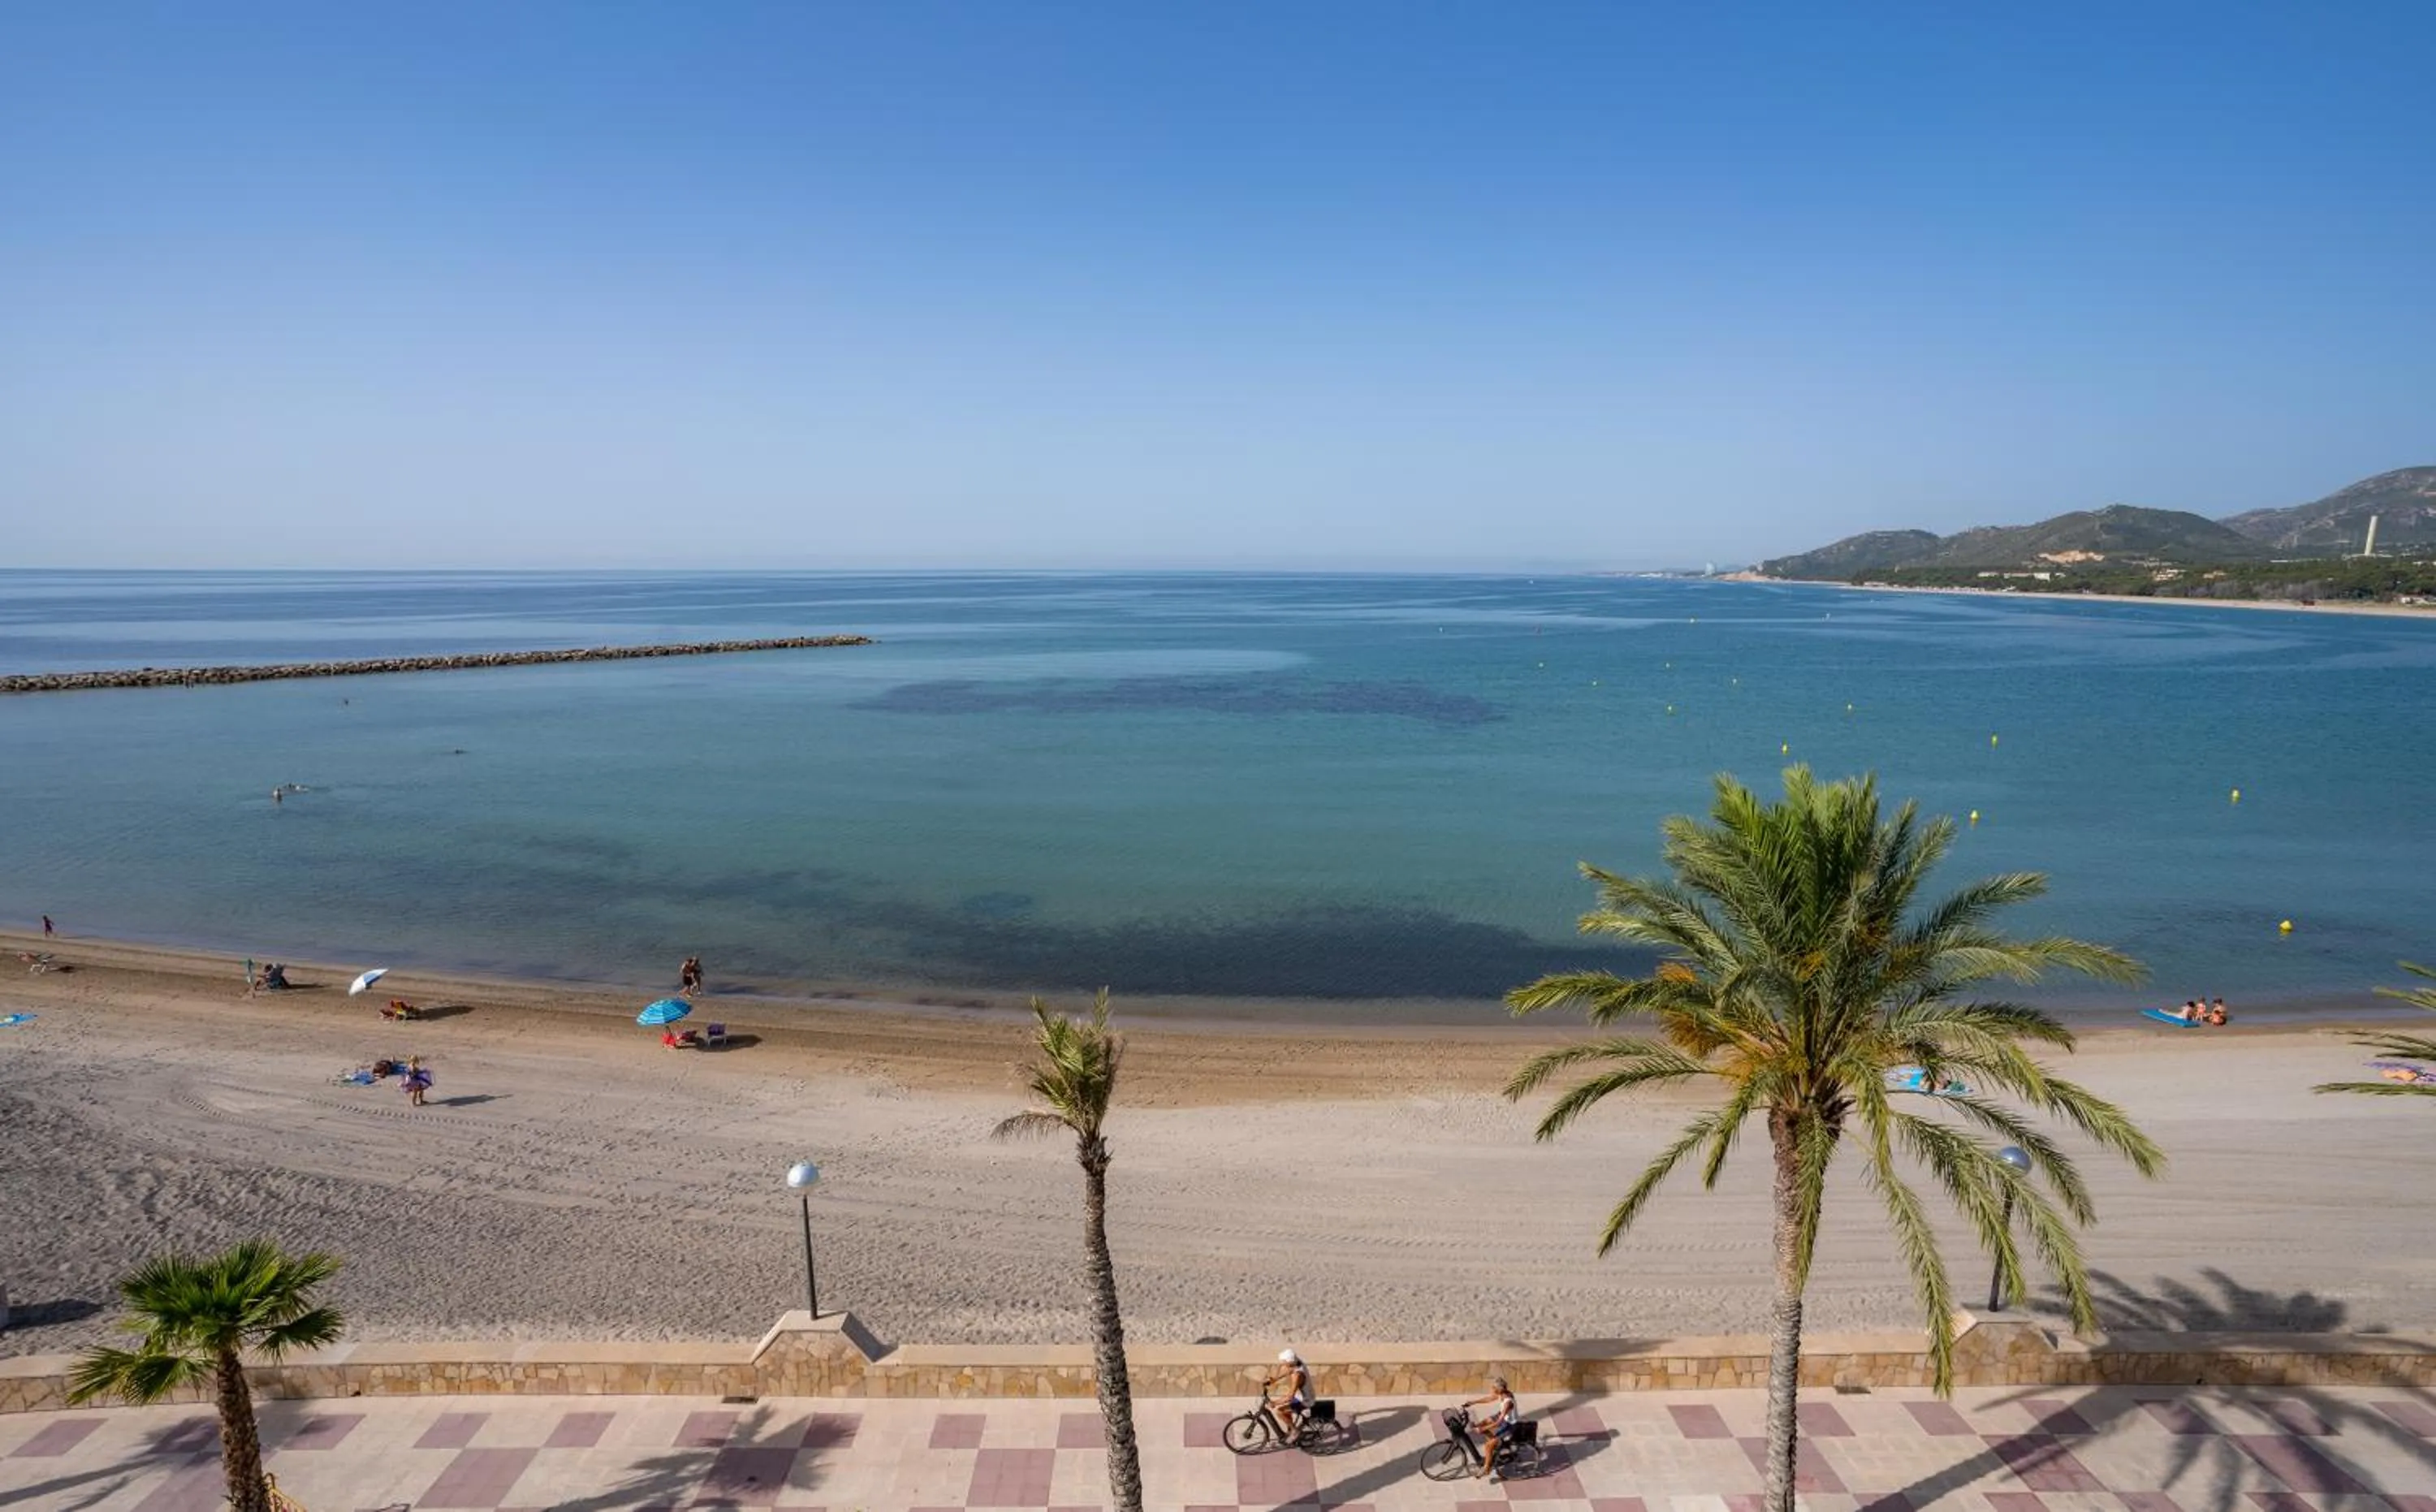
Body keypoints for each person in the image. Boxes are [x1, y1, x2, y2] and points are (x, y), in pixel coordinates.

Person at [1463, 1376, 1519, 1480]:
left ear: (1499, 1390)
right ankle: (1494, 1444)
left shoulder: (1508, 1403)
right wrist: (1473, 1402)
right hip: (1503, 1417)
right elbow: (1489, 1399)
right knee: (1482, 1422)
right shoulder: (1502, 1394)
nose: (1492, 1389)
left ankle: (1486, 1468)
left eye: (1493, 1388)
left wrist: (1483, 1430)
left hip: (1508, 1425)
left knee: (1487, 1446)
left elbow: (1499, 1422)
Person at [1265, 1348, 1311, 1444]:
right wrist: (1275, 1379)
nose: (1282, 1364)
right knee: (1285, 1409)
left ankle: (1295, 1431)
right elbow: (1290, 1370)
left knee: (1279, 1411)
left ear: (1289, 1362)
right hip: (1301, 1396)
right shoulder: (1297, 1362)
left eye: (1284, 1362)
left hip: (1304, 1400)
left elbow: (1290, 1396)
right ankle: (1290, 1430)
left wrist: (1275, 1402)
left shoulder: (1297, 1375)